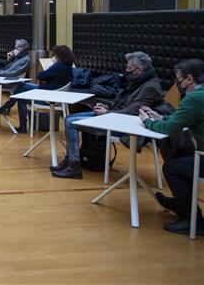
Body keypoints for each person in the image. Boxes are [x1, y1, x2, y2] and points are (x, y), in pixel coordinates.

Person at [55, 51, 166, 179]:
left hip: (124, 125)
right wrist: (108, 107)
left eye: (129, 68)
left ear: (139, 70)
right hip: (115, 116)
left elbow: (132, 112)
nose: (126, 70)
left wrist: (106, 113)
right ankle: (70, 160)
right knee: (69, 118)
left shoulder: (150, 87)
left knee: (71, 122)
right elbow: (124, 104)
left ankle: (73, 165)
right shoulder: (139, 81)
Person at [140, 59, 204, 236]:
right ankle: (183, 202)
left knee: (172, 168)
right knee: (182, 153)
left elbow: (170, 129)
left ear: (189, 79)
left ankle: (193, 220)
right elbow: (182, 120)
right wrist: (161, 118)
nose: (177, 83)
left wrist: (148, 122)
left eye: (178, 78)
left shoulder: (193, 99)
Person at [0, 45, 75, 133]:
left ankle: (12, 114)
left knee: (21, 95)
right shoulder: (68, 67)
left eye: (55, 55)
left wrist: (50, 68)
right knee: (21, 86)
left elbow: (40, 76)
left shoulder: (58, 66)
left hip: (48, 97)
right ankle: (7, 108)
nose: (54, 57)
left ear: (59, 56)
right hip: (56, 96)